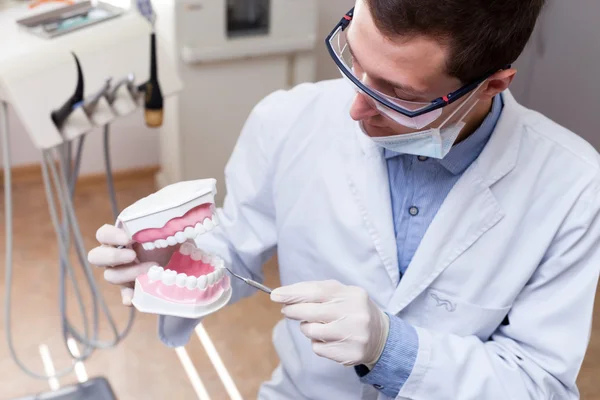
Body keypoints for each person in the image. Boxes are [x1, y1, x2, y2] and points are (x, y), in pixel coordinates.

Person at [88, 0, 600, 398]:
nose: (355, 108)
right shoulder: (287, 119)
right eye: (353, 56)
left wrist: (393, 349)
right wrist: (174, 262)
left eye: (399, 95)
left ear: (490, 85)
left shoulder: (572, 186)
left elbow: (540, 385)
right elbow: (236, 247)